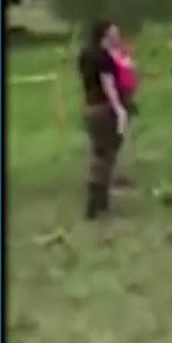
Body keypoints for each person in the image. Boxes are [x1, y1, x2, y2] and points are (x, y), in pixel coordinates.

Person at [77, 20, 129, 220]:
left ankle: (102, 201)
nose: (117, 35)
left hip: (90, 107)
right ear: (104, 34)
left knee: (100, 153)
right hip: (104, 108)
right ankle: (94, 201)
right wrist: (119, 110)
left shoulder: (85, 55)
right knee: (105, 156)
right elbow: (108, 84)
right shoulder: (103, 57)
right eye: (113, 32)